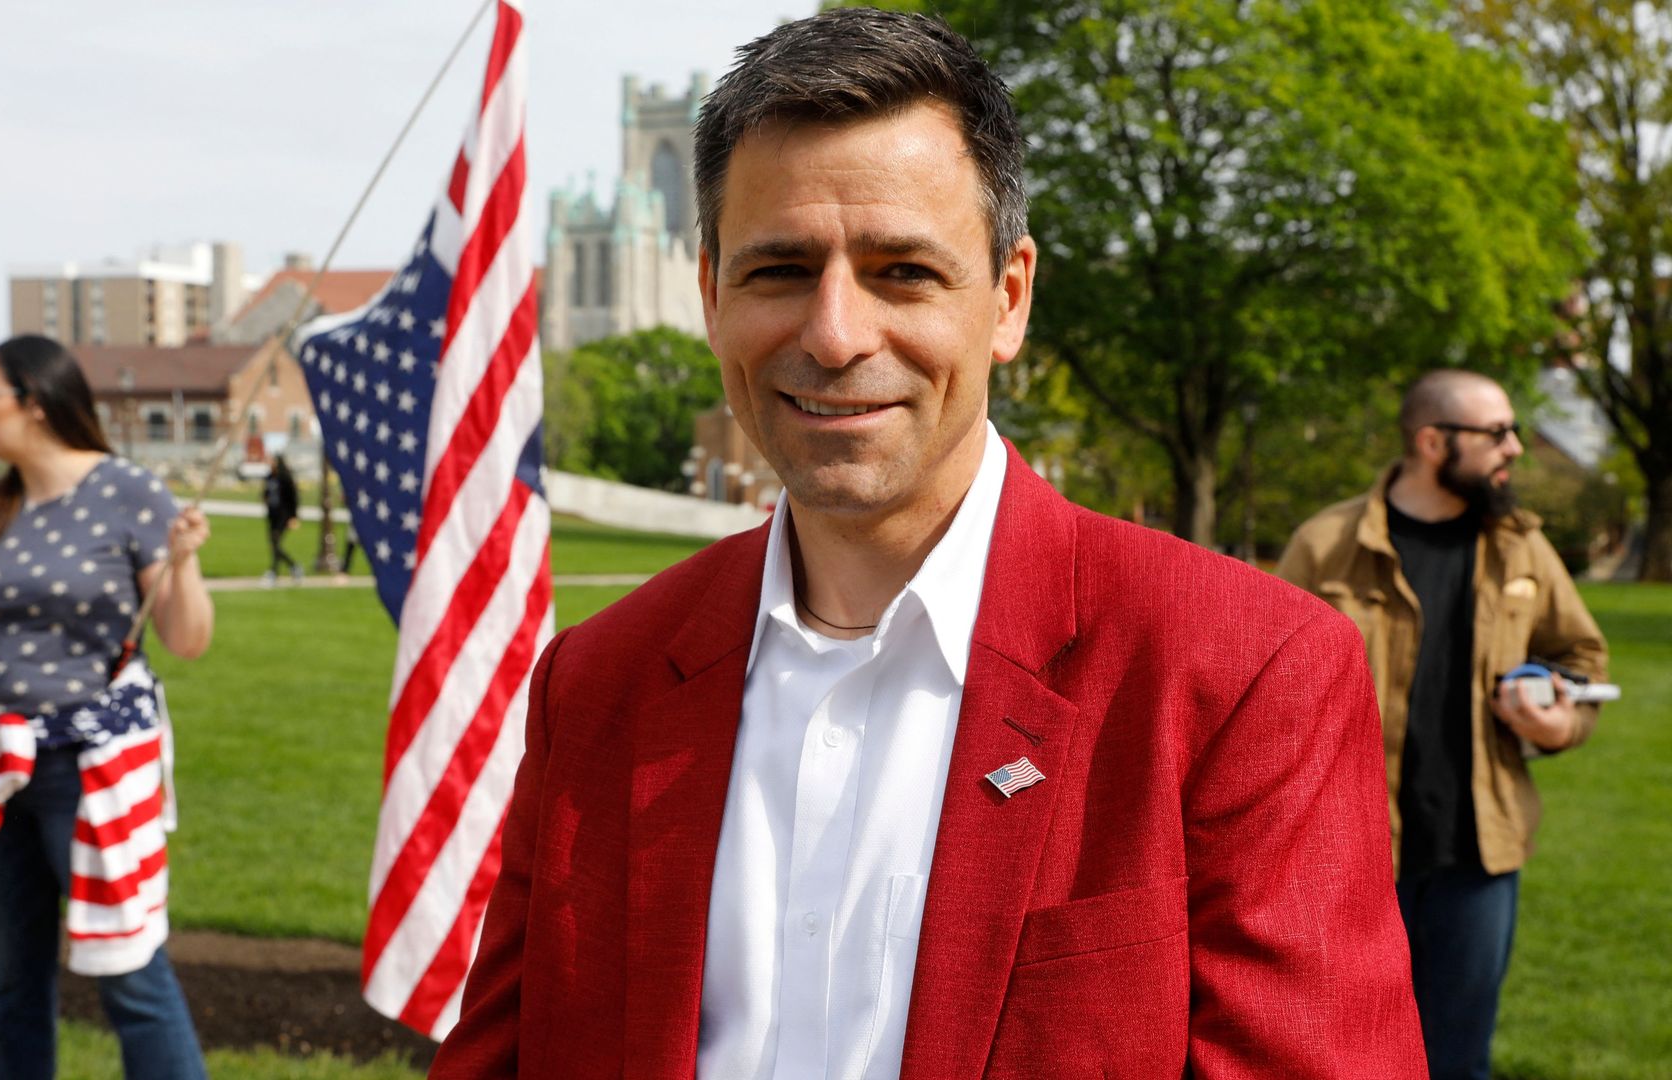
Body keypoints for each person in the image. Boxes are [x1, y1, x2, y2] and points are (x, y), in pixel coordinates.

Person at [429, 11, 1424, 1078]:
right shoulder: (602, 683)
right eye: (779, 270)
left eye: (903, 270)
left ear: (1008, 297)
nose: (835, 332)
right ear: (711, 293)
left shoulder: (1239, 672)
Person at [0, 334, 215, 1079]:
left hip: (88, 771)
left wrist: (186, 562)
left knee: (130, 972)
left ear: (34, 404)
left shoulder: (129, 492)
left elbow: (186, 638)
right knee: (12, 980)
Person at [1277, 369, 1607, 1080]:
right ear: (1432, 441)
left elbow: (1583, 659)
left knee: (1458, 1061)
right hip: (1349, 857)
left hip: (1479, 858)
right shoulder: (1326, 544)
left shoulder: (1521, 546)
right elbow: (1266, 686)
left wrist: (1555, 725)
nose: (1515, 447)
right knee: (1343, 1056)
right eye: (1497, 433)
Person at [261, 453, 302, 585]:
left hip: (283, 515)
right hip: (272, 515)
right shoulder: (269, 477)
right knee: (274, 544)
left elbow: (293, 498)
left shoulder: (285, 477)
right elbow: (266, 492)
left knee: (276, 542)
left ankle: (276, 571)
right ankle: (291, 567)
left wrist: (294, 516)